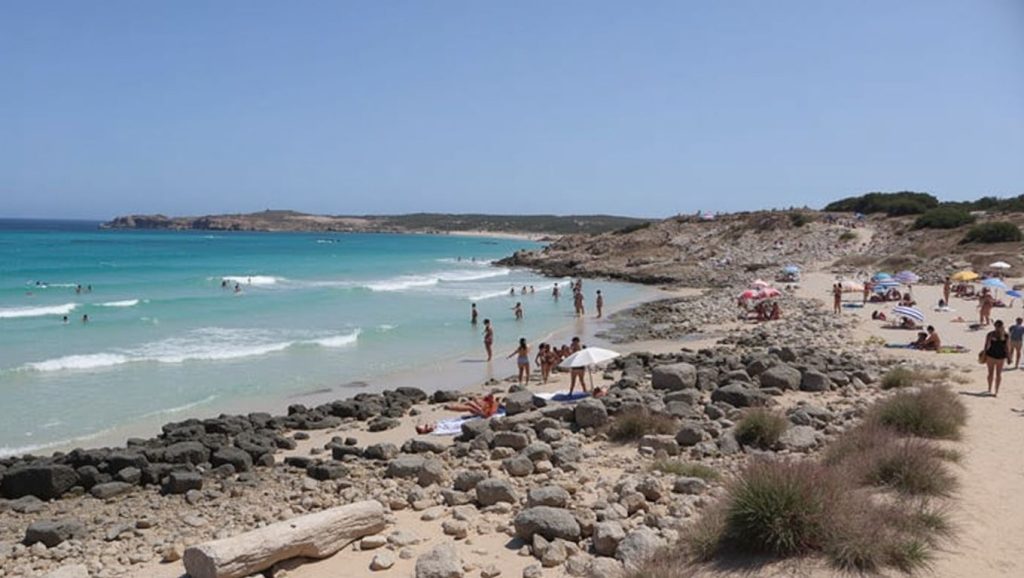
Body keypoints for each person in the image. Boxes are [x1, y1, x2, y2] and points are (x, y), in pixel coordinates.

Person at [984, 320, 1009, 396]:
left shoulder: (1004, 335)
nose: (997, 328)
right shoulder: (991, 334)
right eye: (997, 326)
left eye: (998, 326)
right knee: (992, 374)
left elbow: (1007, 347)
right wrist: (984, 354)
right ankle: (991, 389)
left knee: (997, 374)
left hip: (998, 356)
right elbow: (986, 345)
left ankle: (995, 390)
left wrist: (1009, 357)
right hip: (993, 356)